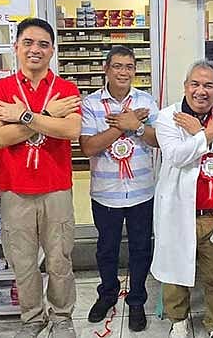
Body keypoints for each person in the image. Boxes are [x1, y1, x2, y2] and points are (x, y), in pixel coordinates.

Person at [0, 17, 82, 338]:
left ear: (52, 50)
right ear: (16, 47)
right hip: (15, 189)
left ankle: (62, 316)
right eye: (28, 43)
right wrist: (48, 116)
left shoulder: (66, 89)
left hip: (56, 187)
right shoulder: (1, 89)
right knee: (23, 260)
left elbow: (71, 130)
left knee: (59, 259)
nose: (35, 50)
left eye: (43, 44)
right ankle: (32, 318)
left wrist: (24, 117)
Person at [151, 59, 213, 338]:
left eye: (208, 85)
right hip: (178, 210)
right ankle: (178, 321)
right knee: (174, 272)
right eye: (195, 84)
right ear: (185, 86)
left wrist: (201, 134)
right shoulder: (168, 117)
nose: (201, 91)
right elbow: (176, 156)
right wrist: (209, 135)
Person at [79, 46, 159, 332]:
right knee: (106, 249)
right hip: (106, 192)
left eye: (129, 66)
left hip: (141, 191)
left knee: (140, 248)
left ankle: (136, 300)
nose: (123, 72)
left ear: (134, 70)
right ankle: (108, 294)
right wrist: (122, 126)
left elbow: (158, 140)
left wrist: (138, 126)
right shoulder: (90, 104)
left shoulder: (146, 101)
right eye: (117, 66)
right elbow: (88, 147)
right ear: (106, 69)